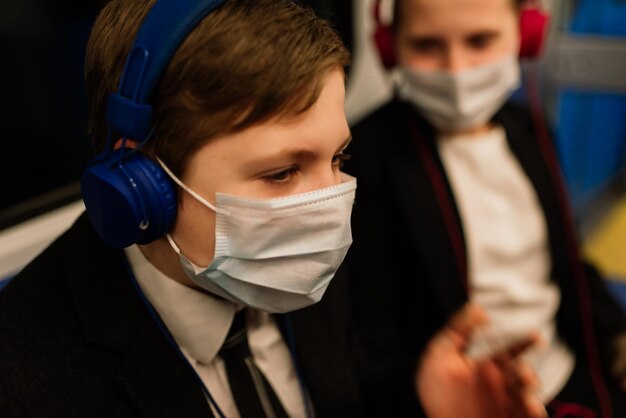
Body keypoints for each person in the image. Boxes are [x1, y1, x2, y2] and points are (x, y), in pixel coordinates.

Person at [0, 0, 544, 417]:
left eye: (338, 158)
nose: (327, 207)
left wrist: (422, 403)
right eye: (282, 173)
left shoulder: (304, 267)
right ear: (140, 185)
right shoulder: (25, 376)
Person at [345, 0, 626, 417]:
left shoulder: (532, 132)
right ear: (390, 47)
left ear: (525, 35)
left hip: (565, 374)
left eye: (480, 41)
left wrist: (616, 335)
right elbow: (368, 336)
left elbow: (568, 264)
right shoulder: (368, 156)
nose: (456, 69)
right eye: (426, 45)